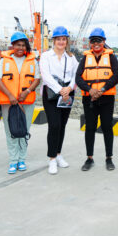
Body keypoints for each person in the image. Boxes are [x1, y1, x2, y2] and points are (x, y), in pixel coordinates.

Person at [0, 32, 40, 175]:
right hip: (9, 102)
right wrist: (10, 96)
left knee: (24, 130)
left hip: (26, 101)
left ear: (26, 46)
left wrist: (26, 92)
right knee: (11, 131)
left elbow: (37, 79)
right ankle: (13, 160)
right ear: (12, 46)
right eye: (18, 45)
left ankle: (22, 159)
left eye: (23, 45)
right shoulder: (3, 61)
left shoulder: (33, 61)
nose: (20, 47)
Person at [75, 28, 118, 171]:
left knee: (107, 127)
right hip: (89, 100)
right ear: (90, 43)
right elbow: (78, 77)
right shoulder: (85, 58)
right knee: (90, 128)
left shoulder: (111, 57)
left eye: (99, 40)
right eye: (93, 40)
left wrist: (102, 89)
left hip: (106, 98)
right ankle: (89, 158)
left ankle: (109, 158)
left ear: (104, 42)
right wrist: (90, 90)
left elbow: (117, 75)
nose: (96, 43)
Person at [39, 26, 78, 175]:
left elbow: (76, 74)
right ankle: (52, 158)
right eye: (58, 39)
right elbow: (46, 76)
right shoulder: (46, 56)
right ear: (53, 41)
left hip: (68, 94)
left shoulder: (71, 57)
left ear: (66, 41)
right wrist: (60, 90)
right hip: (51, 94)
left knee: (62, 125)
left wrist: (68, 88)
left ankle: (59, 154)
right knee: (54, 125)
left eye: (63, 39)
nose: (61, 42)